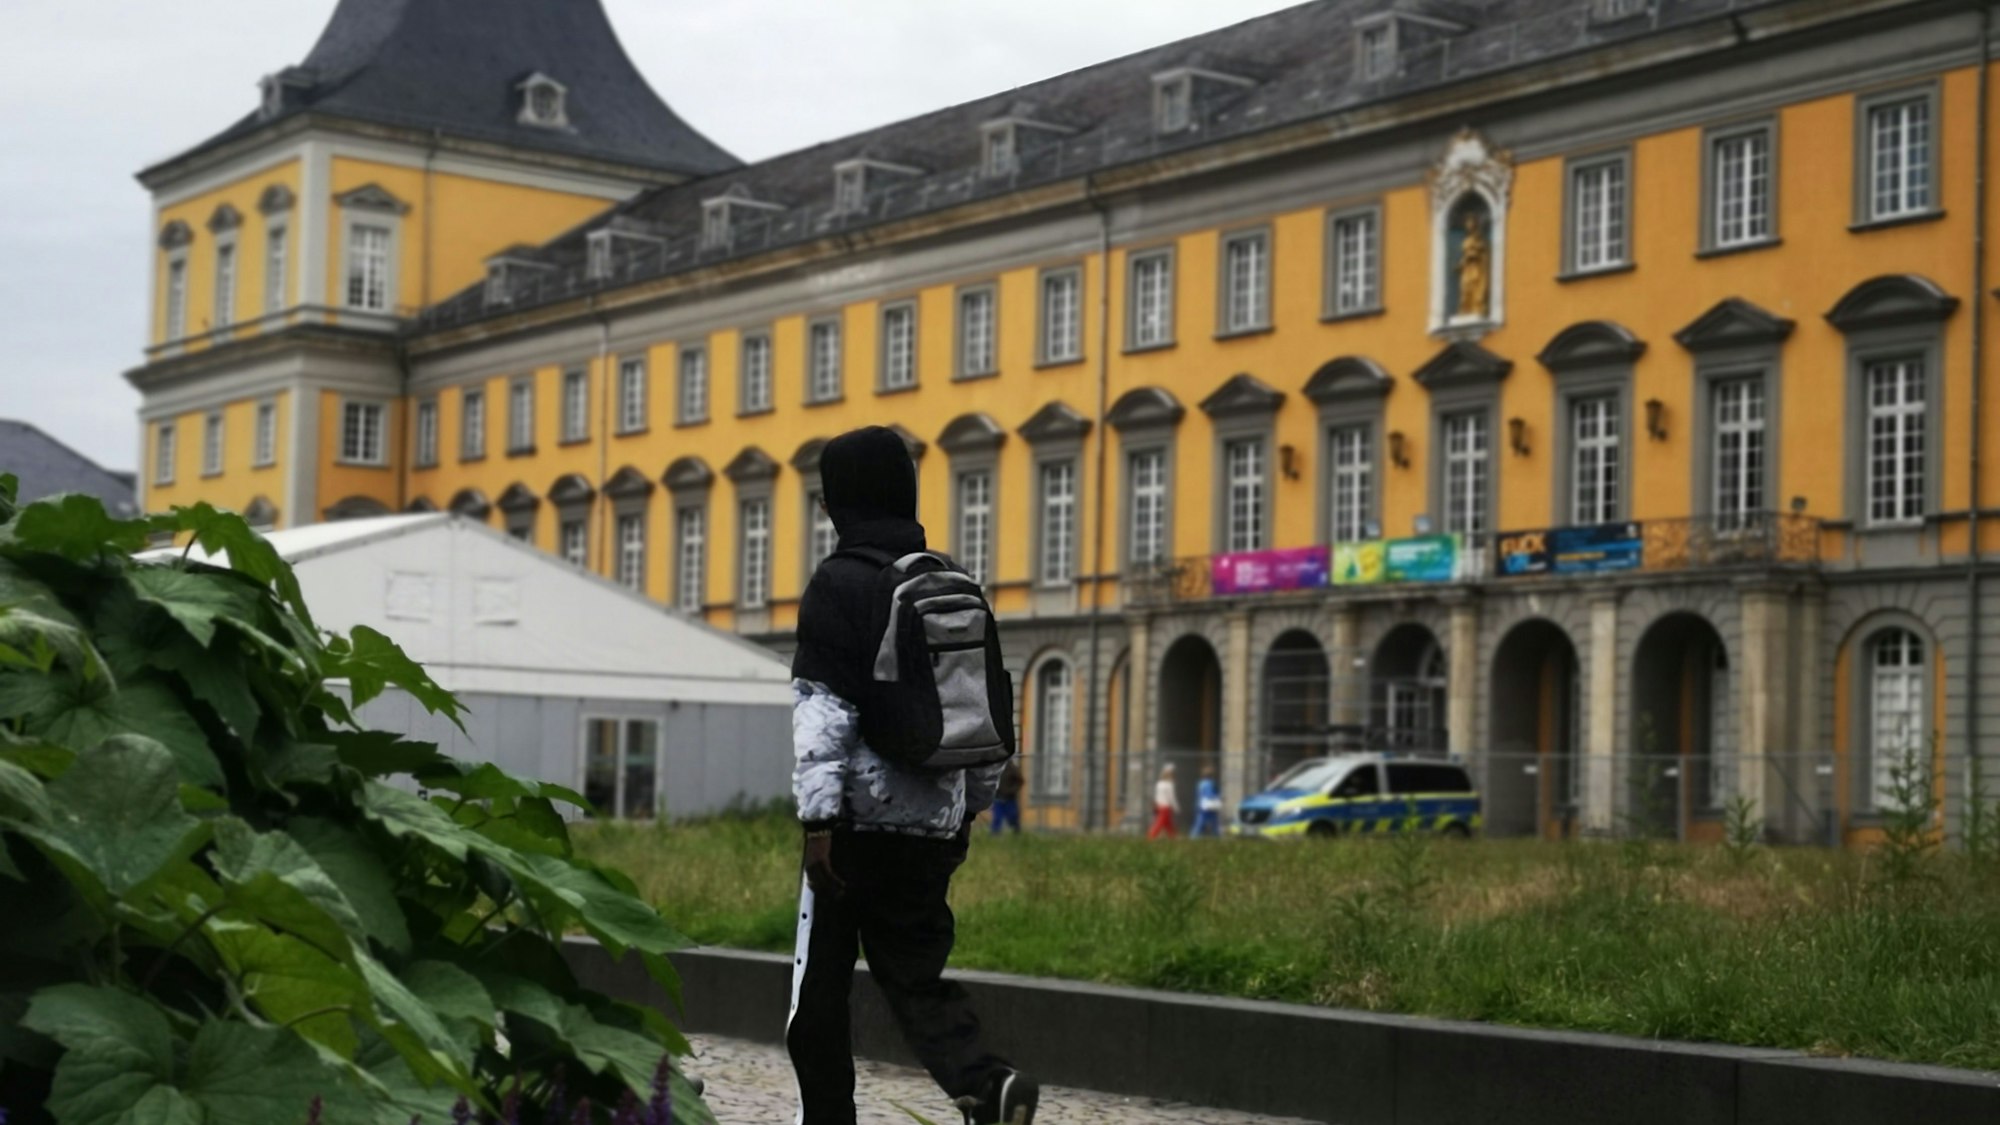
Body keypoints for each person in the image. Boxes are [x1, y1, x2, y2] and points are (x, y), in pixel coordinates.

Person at [786, 426, 1039, 1125]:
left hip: (854, 827)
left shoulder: (837, 583)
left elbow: (823, 712)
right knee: (916, 978)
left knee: (819, 989)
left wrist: (818, 823)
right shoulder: (952, 580)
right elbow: (984, 709)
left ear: (840, 501)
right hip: (935, 824)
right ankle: (987, 1083)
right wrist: (969, 808)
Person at [990, 760, 1024, 835]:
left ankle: (1017, 833)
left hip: (1010, 798)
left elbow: (1020, 781)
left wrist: (1012, 790)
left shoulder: (1011, 768)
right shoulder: (994, 768)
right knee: (997, 817)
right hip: (998, 798)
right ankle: (995, 835)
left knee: (1013, 817)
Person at [1148, 763, 1180, 839]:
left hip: (1159, 806)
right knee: (1159, 824)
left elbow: (1157, 796)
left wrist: (1156, 804)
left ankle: (1173, 837)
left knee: (1168, 824)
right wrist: (1176, 807)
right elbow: (1171, 797)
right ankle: (1151, 837)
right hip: (1166, 807)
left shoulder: (1159, 784)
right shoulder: (1170, 784)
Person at [1191, 765, 1222, 838]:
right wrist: (1218, 797)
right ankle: (1216, 835)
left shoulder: (1201, 784)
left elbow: (1198, 795)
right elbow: (1212, 794)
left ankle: (1194, 836)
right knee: (1214, 822)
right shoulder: (1212, 783)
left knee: (1200, 821)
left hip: (1202, 805)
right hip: (1211, 805)